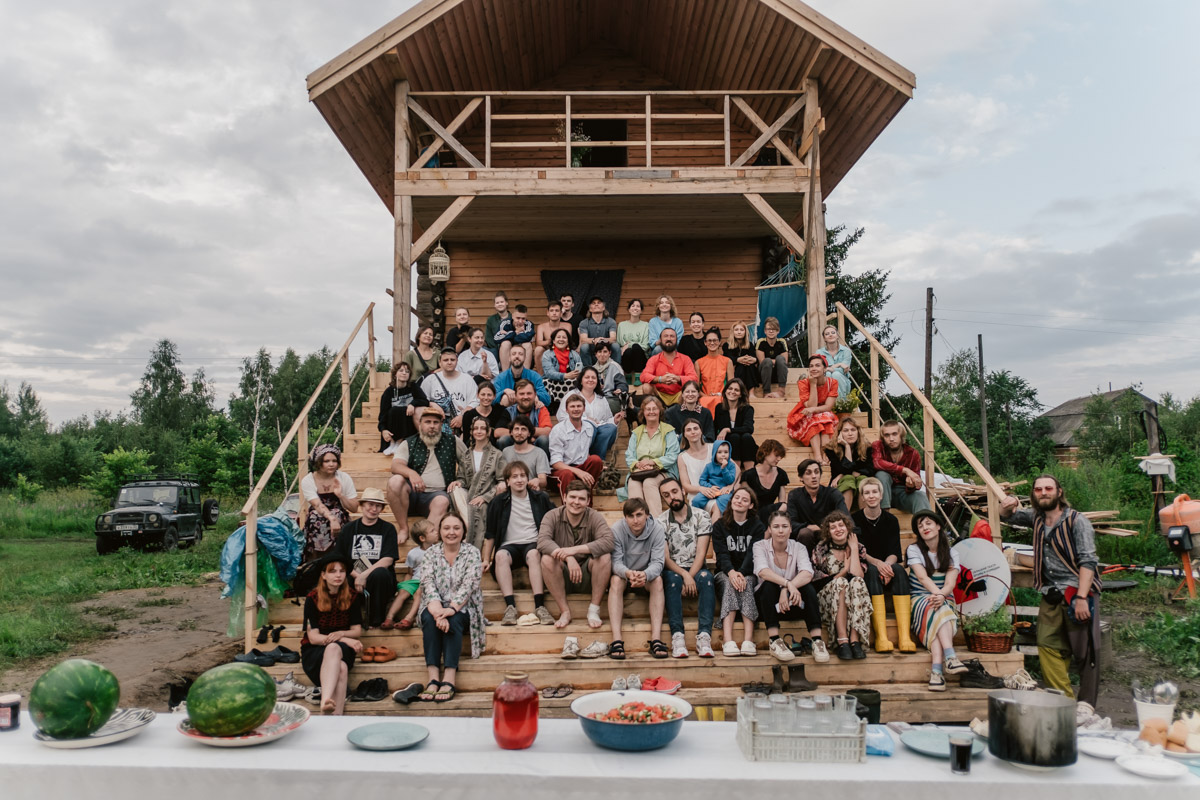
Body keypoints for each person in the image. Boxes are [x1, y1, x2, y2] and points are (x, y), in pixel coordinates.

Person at [1000, 475, 1101, 705]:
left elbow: (1088, 561)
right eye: (1038, 489)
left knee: (1086, 655)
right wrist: (1007, 502)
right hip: (1051, 595)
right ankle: (1064, 703)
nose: (1043, 492)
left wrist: (1082, 597)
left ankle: (1086, 708)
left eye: (1048, 488)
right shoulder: (1036, 517)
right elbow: (1006, 515)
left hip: (1077, 594)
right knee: (1047, 647)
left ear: (1059, 492)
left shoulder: (1077, 521)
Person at [417, 512, 484, 703]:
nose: (451, 532)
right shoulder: (431, 553)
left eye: (456, 528)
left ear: (463, 532)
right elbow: (427, 582)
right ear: (440, 531)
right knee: (429, 619)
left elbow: (470, 584)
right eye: (446, 528)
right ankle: (432, 678)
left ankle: (449, 676)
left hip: (464, 606)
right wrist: (438, 611)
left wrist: (452, 609)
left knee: (454, 620)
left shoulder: (472, 552)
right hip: (435, 604)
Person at [482, 461, 556, 626]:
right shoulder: (499, 502)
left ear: (528, 478)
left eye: (522, 476)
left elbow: (555, 519)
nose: (519, 480)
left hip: (533, 543)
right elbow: (490, 533)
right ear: (507, 481)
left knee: (534, 553)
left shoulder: (539, 498)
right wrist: (486, 559)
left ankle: (540, 606)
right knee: (500, 555)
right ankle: (510, 607)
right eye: (514, 476)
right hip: (510, 546)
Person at [753, 509, 829, 663]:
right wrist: (786, 584)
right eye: (776, 526)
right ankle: (774, 640)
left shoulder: (798, 547)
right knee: (768, 585)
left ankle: (817, 640)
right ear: (769, 529)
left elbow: (807, 573)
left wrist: (787, 588)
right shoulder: (759, 546)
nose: (780, 530)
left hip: (793, 603)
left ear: (790, 529)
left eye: (784, 526)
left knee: (808, 588)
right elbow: (763, 572)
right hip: (768, 605)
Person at [386, 405, 470, 544]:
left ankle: (425, 542)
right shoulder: (409, 442)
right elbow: (395, 466)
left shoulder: (453, 441)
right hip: (411, 494)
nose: (432, 426)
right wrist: (411, 473)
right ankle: (403, 528)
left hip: (436, 496)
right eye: (428, 422)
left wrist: (460, 480)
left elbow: (468, 465)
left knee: (442, 501)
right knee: (395, 481)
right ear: (420, 424)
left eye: (436, 422)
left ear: (441, 425)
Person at [537, 480, 614, 629]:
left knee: (604, 557)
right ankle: (565, 611)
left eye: (581, 498)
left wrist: (574, 550)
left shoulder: (594, 516)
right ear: (564, 497)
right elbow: (542, 541)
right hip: (562, 576)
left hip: (589, 576)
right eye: (572, 497)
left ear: (588, 501)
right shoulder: (551, 515)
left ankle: (594, 610)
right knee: (547, 559)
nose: (576, 502)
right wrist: (568, 557)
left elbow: (609, 542)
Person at [853, 477, 916, 653]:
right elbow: (860, 552)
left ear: (881, 495)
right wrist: (878, 564)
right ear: (863, 497)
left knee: (900, 571)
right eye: (867, 493)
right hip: (868, 567)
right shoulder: (855, 520)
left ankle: (905, 636)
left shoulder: (891, 520)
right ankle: (881, 637)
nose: (871, 496)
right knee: (872, 571)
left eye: (874, 492)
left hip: (887, 565)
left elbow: (895, 551)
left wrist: (886, 566)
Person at [906, 510, 967, 691]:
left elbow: (950, 582)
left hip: (945, 599)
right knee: (935, 607)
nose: (925, 527)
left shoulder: (951, 553)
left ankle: (937, 673)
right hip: (919, 598)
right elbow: (923, 578)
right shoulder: (914, 549)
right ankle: (950, 657)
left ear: (938, 526)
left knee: (938, 610)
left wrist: (941, 596)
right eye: (920, 525)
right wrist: (937, 595)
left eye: (928, 523)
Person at [659, 477, 716, 658]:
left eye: (674, 492)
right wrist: (684, 575)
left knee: (707, 578)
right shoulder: (660, 522)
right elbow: (666, 558)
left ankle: (704, 636)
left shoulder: (702, 516)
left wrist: (690, 575)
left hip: (697, 568)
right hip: (674, 570)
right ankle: (678, 636)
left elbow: (701, 554)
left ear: (683, 491)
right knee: (672, 580)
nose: (672, 497)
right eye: (666, 495)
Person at [300, 552, 364, 714]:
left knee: (335, 650)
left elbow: (356, 631)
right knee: (340, 666)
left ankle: (326, 702)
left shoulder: (353, 596)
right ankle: (333, 710)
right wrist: (345, 640)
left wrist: (341, 635)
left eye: (341, 571)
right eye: (332, 571)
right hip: (315, 653)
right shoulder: (312, 598)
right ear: (323, 575)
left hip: (342, 651)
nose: (338, 575)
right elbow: (313, 638)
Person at [607, 498, 668, 660]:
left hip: (646, 576)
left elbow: (658, 562)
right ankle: (617, 640)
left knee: (658, 581)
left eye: (639, 515)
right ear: (625, 517)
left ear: (647, 515)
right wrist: (628, 574)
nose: (635, 520)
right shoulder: (617, 529)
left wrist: (645, 574)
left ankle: (656, 639)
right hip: (625, 576)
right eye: (631, 516)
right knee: (615, 580)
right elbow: (616, 562)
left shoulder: (657, 529)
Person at [332, 487, 398, 629]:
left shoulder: (388, 529)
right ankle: (350, 622)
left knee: (380, 574)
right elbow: (340, 558)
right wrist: (357, 576)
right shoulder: (348, 529)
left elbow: (388, 559)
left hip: (379, 579)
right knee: (341, 577)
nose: (374, 509)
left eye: (378, 505)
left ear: (382, 508)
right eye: (370, 504)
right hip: (353, 574)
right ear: (362, 506)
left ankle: (376, 620)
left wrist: (364, 576)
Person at [811, 512, 871, 660]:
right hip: (827, 600)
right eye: (833, 527)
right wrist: (844, 570)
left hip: (853, 598)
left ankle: (854, 640)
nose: (838, 529)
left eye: (841, 525)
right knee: (841, 582)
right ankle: (842, 639)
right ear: (828, 532)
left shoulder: (859, 548)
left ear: (847, 527)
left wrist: (854, 549)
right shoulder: (821, 549)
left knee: (857, 582)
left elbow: (858, 574)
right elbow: (819, 583)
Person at [712, 487, 762, 656]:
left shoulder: (757, 526)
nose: (739, 501)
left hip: (748, 572)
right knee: (729, 583)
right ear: (731, 501)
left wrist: (740, 573)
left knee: (746, 582)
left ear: (751, 505)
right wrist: (732, 573)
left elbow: (753, 554)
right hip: (724, 573)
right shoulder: (720, 525)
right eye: (737, 497)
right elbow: (721, 554)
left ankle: (748, 641)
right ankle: (728, 640)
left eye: (744, 499)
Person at [300, 443, 359, 562]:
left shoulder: (344, 478)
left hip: (340, 514)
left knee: (338, 513)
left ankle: (337, 558)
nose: (331, 464)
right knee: (316, 517)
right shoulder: (308, 480)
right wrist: (332, 519)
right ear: (318, 462)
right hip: (319, 514)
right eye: (327, 461)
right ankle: (317, 559)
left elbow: (354, 508)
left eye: (334, 460)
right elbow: (317, 505)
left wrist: (341, 496)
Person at [624, 395, 680, 518]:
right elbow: (629, 455)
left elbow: (673, 455)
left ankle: (657, 524)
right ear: (643, 412)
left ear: (660, 411)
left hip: (664, 470)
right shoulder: (636, 432)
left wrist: (652, 462)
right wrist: (637, 464)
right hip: (640, 471)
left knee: (649, 483)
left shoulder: (668, 430)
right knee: (633, 483)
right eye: (648, 409)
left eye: (654, 409)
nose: (651, 412)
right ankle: (637, 521)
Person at [459, 416, 507, 550]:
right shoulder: (466, 455)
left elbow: (502, 481)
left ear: (488, 432)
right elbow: (462, 479)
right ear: (472, 431)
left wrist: (485, 497)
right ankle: (468, 522)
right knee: (453, 491)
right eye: (476, 428)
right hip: (468, 496)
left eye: (482, 428)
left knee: (480, 507)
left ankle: (471, 546)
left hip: (487, 497)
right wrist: (457, 483)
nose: (479, 431)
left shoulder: (497, 454)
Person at [381, 520, 436, 631]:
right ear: (422, 538)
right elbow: (410, 573)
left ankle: (408, 618)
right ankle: (389, 618)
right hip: (415, 580)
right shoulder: (413, 553)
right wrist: (405, 585)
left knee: (418, 592)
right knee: (402, 593)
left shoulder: (438, 550)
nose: (437, 532)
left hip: (428, 581)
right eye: (432, 531)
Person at [555, 367, 621, 459]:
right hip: (575, 434)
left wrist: (614, 420)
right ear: (581, 381)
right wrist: (584, 420)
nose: (590, 380)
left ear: (597, 381)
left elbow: (606, 420)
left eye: (593, 378)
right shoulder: (572, 395)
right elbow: (561, 417)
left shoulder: (601, 398)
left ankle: (597, 459)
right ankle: (584, 457)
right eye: (587, 377)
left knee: (611, 428)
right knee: (589, 425)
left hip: (597, 436)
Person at [787, 458, 853, 549]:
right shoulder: (794, 495)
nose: (814, 476)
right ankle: (806, 562)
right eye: (808, 473)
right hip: (804, 539)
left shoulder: (832, 493)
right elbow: (790, 522)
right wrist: (808, 526)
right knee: (805, 532)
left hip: (829, 535)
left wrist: (826, 529)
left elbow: (846, 518)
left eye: (816, 472)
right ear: (801, 478)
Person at [549, 393, 604, 502]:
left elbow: (585, 452)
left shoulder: (589, 427)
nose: (576, 409)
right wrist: (578, 472)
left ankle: (586, 501)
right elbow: (556, 463)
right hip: (562, 470)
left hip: (581, 467)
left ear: (584, 409)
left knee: (596, 460)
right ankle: (568, 507)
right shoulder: (558, 430)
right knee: (567, 474)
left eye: (579, 406)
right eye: (572, 406)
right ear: (566, 410)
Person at [869, 419, 932, 513]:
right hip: (880, 494)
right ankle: (884, 516)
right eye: (887, 435)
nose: (891, 439)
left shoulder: (913, 454)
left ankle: (926, 524)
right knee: (882, 475)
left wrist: (910, 486)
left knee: (921, 495)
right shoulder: (878, 446)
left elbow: (917, 484)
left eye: (894, 434)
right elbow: (877, 463)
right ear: (883, 437)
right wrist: (905, 470)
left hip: (902, 493)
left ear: (901, 435)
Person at [786, 354, 839, 464]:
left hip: (823, 413)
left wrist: (814, 410)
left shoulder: (832, 383)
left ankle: (826, 454)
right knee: (814, 418)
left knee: (826, 417)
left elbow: (828, 406)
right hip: (805, 413)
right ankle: (817, 455)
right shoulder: (803, 383)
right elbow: (810, 405)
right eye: (811, 366)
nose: (814, 368)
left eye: (818, 365)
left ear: (824, 368)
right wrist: (813, 384)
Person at [420, 348, 479, 434]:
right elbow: (421, 400)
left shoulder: (467, 379)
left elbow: (474, 401)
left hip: (460, 421)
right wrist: (431, 404)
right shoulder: (430, 380)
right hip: (436, 420)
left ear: (457, 361)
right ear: (440, 362)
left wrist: (463, 416)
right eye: (445, 360)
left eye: (452, 359)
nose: (449, 362)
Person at [377, 361, 429, 453]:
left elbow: (425, 400)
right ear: (395, 374)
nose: (404, 373)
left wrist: (413, 404)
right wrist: (383, 430)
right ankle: (392, 443)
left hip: (408, 424)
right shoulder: (388, 392)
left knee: (403, 410)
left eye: (407, 371)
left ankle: (400, 443)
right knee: (394, 410)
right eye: (401, 370)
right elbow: (383, 415)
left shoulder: (413, 387)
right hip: (393, 424)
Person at [639, 328, 698, 407]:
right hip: (659, 394)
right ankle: (652, 410)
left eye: (672, 336)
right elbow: (643, 376)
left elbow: (694, 378)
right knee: (646, 387)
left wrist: (678, 379)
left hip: (679, 395)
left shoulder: (685, 358)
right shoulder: (654, 359)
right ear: (661, 340)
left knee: (689, 388)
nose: (669, 339)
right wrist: (660, 379)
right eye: (666, 336)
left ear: (676, 340)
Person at [826, 416, 872, 510]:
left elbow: (870, 470)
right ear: (840, 433)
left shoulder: (867, 448)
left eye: (853, 430)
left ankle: (865, 519)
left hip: (861, 490)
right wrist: (846, 446)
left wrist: (841, 475)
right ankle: (844, 519)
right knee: (848, 478)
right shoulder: (831, 450)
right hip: (840, 487)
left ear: (858, 432)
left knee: (862, 478)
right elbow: (844, 469)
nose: (850, 434)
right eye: (846, 430)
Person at [497, 380, 553, 454]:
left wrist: (521, 433)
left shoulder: (540, 409)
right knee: (503, 440)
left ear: (535, 395)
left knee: (544, 440)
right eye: (522, 394)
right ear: (516, 396)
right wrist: (526, 436)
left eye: (529, 393)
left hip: (535, 449)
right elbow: (497, 432)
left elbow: (547, 431)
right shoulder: (509, 411)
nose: (525, 397)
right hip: (514, 448)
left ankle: (544, 465)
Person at [740, 438, 789, 522]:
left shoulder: (781, 474)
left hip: (772, 515)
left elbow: (782, 501)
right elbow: (743, 500)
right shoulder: (748, 475)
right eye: (776, 455)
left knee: (784, 506)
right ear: (766, 453)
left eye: (780, 456)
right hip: (752, 514)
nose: (779, 459)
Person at [500, 416, 551, 492]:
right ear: (511, 432)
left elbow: (543, 481)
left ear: (529, 433)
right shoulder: (506, 452)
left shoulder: (539, 452)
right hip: (511, 489)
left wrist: (537, 480)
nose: (519, 433)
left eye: (523, 429)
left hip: (531, 489)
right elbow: (502, 477)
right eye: (516, 429)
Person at [714, 378, 757, 470]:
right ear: (725, 391)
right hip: (727, 444)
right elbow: (714, 427)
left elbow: (749, 428)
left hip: (745, 445)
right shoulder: (719, 408)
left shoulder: (747, 409)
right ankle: (736, 473)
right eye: (730, 389)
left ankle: (749, 473)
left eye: (736, 390)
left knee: (746, 436)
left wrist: (727, 429)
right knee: (734, 437)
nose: (732, 392)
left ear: (740, 394)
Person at [694, 439, 738, 518]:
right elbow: (702, 480)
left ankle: (725, 519)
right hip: (711, 490)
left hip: (724, 491)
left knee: (724, 500)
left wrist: (724, 469)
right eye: (720, 452)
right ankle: (698, 518)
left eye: (726, 452)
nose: (723, 455)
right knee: (696, 500)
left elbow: (730, 480)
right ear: (714, 453)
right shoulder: (709, 466)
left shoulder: (731, 466)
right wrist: (709, 487)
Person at [541, 328, 583, 409]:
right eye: (558, 337)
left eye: (564, 337)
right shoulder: (547, 354)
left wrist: (578, 374)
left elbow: (581, 369)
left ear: (568, 341)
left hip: (571, 382)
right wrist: (565, 376)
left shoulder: (574, 354)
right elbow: (549, 373)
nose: (561, 339)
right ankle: (553, 407)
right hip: (552, 382)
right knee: (545, 381)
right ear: (553, 340)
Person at [695, 327, 733, 414]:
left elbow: (731, 385)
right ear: (705, 342)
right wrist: (706, 397)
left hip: (723, 398)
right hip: (704, 399)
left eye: (715, 340)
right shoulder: (699, 363)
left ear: (719, 342)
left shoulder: (727, 361)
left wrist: (721, 395)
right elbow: (696, 387)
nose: (712, 343)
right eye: (709, 340)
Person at [676, 419, 712, 506]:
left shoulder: (714, 448)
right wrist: (701, 489)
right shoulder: (682, 457)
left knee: (716, 505)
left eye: (696, 428)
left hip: (716, 492)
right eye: (688, 430)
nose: (693, 432)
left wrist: (729, 487)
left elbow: (736, 469)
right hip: (697, 495)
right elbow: (685, 485)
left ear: (701, 431)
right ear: (684, 435)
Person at [591, 343, 630, 420]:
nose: (602, 354)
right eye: (599, 352)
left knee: (602, 406)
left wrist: (620, 389)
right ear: (595, 354)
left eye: (605, 352)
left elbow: (622, 384)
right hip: (596, 397)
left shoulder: (615, 366)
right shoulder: (592, 369)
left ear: (609, 353)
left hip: (612, 398)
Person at [578, 296, 620, 367]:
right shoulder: (584, 323)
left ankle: (616, 369)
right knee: (584, 347)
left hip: (607, 353)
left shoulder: (611, 321)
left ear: (603, 307)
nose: (596, 304)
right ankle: (588, 370)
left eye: (599, 303)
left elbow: (613, 338)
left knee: (615, 346)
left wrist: (602, 340)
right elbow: (583, 339)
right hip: (591, 353)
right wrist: (595, 340)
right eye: (593, 303)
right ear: (590, 309)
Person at [723, 320, 760, 395]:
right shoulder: (727, 345)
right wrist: (738, 360)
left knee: (748, 365)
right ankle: (740, 391)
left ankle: (751, 392)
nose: (739, 332)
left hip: (749, 370)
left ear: (745, 332)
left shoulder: (750, 345)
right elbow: (726, 359)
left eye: (741, 330)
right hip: (734, 372)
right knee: (741, 366)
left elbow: (754, 358)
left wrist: (754, 359)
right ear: (732, 332)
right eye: (736, 330)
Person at [817, 325, 853, 400]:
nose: (830, 335)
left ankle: (840, 403)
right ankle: (827, 402)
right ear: (824, 338)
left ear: (837, 336)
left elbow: (845, 370)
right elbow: (819, 370)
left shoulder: (846, 351)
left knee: (836, 374)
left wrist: (830, 368)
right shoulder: (819, 352)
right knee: (828, 374)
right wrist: (839, 365)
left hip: (842, 381)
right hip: (824, 379)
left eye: (833, 333)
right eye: (827, 334)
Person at [617, 298, 650, 379]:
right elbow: (619, 343)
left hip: (641, 358)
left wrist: (629, 344)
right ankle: (628, 377)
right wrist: (625, 348)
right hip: (626, 357)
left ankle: (638, 377)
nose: (635, 308)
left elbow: (645, 346)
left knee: (635, 347)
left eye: (638, 306)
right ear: (629, 309)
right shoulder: (621, 325)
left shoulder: (646, 325)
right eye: (633, 306)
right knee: (628, 351)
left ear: (641, 310)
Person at [756, 316, 789, 398]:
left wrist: (775, 361)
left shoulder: (781, 342)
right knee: (767, 361)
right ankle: (766, 392)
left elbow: (784, 362)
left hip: (778, 375)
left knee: (780, 359)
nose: (771, 331)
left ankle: (781, 391)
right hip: (763, 375)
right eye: (768, 329)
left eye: (773, 329)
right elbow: (762, 362)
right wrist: (774, 362)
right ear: (765, 331)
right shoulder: (761, 342)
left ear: (778, 331)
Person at [495, 304, 535, 371]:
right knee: (505, 343)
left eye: (523, 319)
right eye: (518, 318)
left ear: (526, 317)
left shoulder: (529, 324)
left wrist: (508, 334)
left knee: (527, 344)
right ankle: (506, 375)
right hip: (506, 358)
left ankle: (525, 377)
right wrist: (516, 332)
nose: (520, 321)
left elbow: (528, 338)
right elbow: (496, 339)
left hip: (523, 359)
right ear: (513, 316)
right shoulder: (505, 323)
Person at [534, 300, 573, 370]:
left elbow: (568, 342)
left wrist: (557, 342)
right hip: (548, 350)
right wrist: (552, 341)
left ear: (561, 313)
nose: (554, 313)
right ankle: (541, 377)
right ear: (547, 313)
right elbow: (538, 342)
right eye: (551, 311)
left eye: (557, 311)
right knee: (538, 349)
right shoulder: (541, 326)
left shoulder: (567, 326)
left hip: (563, 350)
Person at [483, 291, 511, 361]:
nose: (500, 304)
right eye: (497, 303)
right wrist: (498, 347)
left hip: (511, 349)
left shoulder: (513, 318)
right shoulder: (491, 320)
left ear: (506, 303)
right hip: (495, 349)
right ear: (494, 305)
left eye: (502, 302)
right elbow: (489, 338)